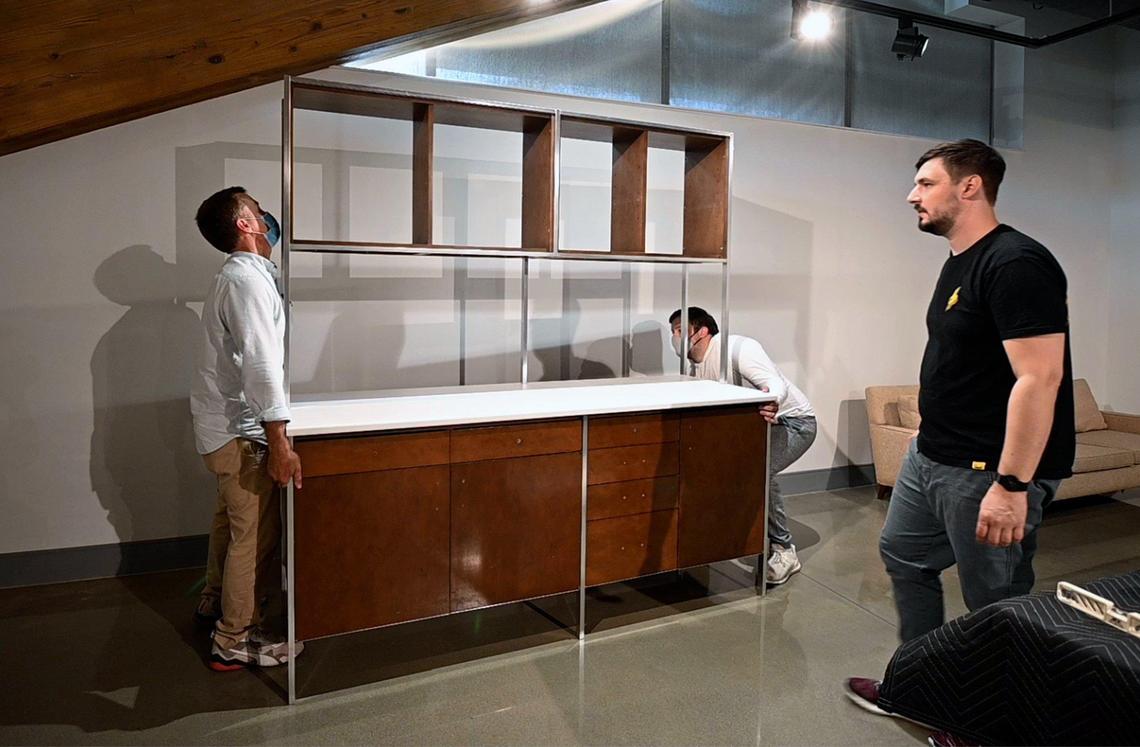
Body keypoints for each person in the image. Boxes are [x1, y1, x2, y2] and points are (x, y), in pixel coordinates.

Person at [846, 139, 1074, 708]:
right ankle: (925, 685)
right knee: (903, 555)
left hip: (987, 471)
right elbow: (965, 360)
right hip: (934, 456)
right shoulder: (959, 261)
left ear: (969, 186)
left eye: (926, 184)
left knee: (996, 602)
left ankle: (995, 719)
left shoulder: (1016, 262)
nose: (911, 196)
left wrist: (1012, 485)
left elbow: (1039, 379)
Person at [190, 186, 304, 671]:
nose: (265, 216)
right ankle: (234, 638)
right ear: (245, 224)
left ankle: (215, 603)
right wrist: (278, 441)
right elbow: (260, 365)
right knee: (255, 536)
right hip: (241, 433)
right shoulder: (246, 282)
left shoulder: (238, 278)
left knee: (229, 525)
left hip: (221, 428)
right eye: (258, 210)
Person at [669, 307, 816, 585]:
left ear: (702, 331)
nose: (675, 337)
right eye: (673, 331)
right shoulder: (695, 368)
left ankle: (785, 550)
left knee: (759, 468)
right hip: (754, 428)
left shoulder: (738, 348)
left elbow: (773, 382)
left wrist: (772, 399)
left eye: (680, 330)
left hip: (795, 422)